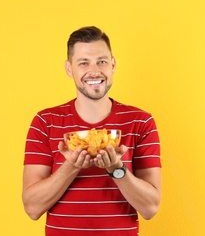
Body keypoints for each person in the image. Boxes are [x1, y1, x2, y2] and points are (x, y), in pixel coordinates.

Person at [22, 26, 162, 236]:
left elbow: (150, 208)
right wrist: (71, 167)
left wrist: (117, 168)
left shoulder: (140, 122)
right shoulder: (45, 122)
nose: (94, 71)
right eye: (84, 63)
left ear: (113, 65)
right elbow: (32, 208)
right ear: (69, 69)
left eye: (102, 61)